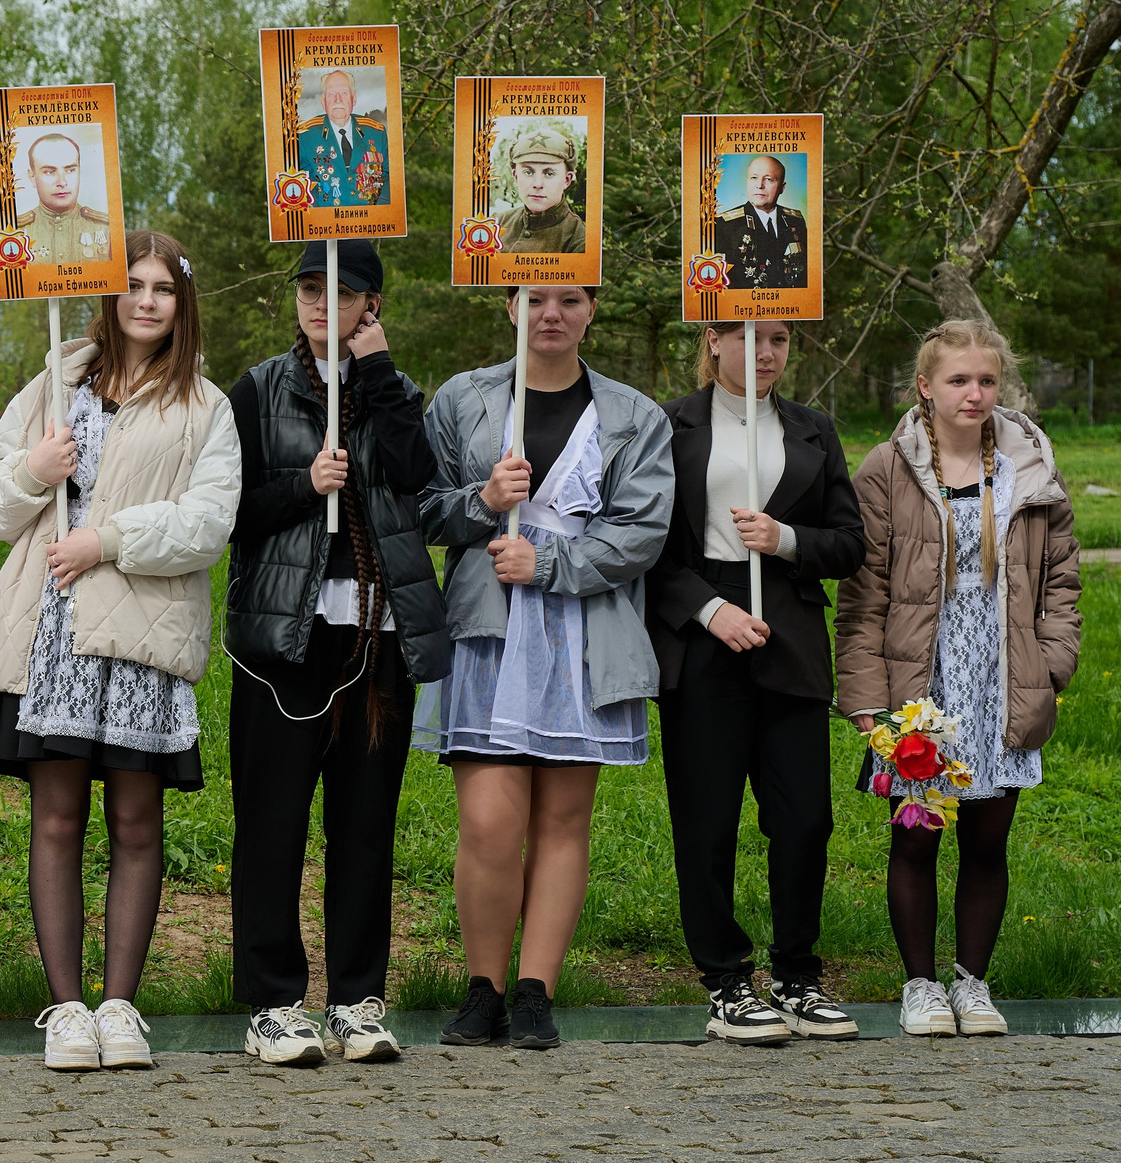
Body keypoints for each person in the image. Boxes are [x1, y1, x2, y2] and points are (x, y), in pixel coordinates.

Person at [0, 230, 235, 1071]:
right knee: (55, 818)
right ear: (109, 294)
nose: (147, 299)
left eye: (163, 287)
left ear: (181, 301)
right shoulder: (58, 377)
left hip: (139, 635)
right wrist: (36, 469)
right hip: (52, 635)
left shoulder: (205, 405)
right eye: (133, 284)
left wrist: (107, 539)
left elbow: (206, 523)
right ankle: (67, 1008)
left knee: (134, 818)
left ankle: (120, 1004)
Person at [417, 284, 671, 1049]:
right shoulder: (463, 398)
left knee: (563, 820)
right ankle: (482, 988)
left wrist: (550, 559)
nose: (551, 313)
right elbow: (419, 506)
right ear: (510, 307)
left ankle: (534, 991)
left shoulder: (635, 415)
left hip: (585, 636)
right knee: (490, 824)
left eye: (570, 299)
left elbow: (643, 532)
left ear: (594, 308)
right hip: (487, 630)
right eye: (535, 298)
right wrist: (482, 499)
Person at [220, 240, 446, 1068]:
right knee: (272, 825)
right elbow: (228, 512)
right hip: (285, 639)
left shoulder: (396, 391)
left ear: (371, 307)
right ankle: (273, 1003)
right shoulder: (257, 389)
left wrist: (378, 374)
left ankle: (356, 997)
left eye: (343, 292)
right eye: (310, 288)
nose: (322, 304)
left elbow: (415, 475)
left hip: (376, 638)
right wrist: (303, 486)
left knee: (364, 826)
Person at [836, 320, 1080, 1039]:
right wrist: (867, 704)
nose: (974, 394)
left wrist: (1052, 666)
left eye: (986, 379)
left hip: (1005, 679)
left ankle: (972, 983)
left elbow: (1061, 577)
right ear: (925, 387)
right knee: (916, 837)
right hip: (925, 685)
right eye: (957, 380)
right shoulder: (888, 467)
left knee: (987, 841)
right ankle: (920, 985)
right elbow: (863, 599)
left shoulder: (1030, 462)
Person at [649, 321, 865, 1046]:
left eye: (778, 338)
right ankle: (726, 980)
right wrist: (710, 611)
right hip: (702, 633)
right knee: (707, 820)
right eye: (748, 337)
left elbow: (850, 541)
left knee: (805, 816)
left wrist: (788, 539)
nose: (765, 351)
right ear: (714, 341)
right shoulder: (669, 425)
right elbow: (647, 546)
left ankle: (799, 975)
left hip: (791, 637)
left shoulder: (814, 429)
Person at [296, 70, 389, 208]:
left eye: (344, 93)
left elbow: (389, 176)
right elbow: (298, 179)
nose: (338, 99)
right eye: (331, 94)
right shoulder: (305, 135)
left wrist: (378, 213)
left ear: (354, 98)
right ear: (323, 100)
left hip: (369, 222)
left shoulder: (376, 133)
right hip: (325, 223)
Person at [15, 132, 110, 264]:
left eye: (70, 170)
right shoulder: (14, 233)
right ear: (32, 177)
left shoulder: (106, 228)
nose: (62, 182)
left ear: (79, 172)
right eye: (49, 172)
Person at [716, 156, 808, 291]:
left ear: (782, 187)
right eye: (754, 178)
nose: (760, 185)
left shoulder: (795, 221)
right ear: (747, 182)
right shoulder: (725, 225)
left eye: (769, 179)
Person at [497, 124, 587, 254]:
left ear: (567, 180)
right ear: (516, 176)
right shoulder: (496, 224)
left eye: (549, 173)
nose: (537, 184)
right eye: (528, 172)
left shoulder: (578, 241)